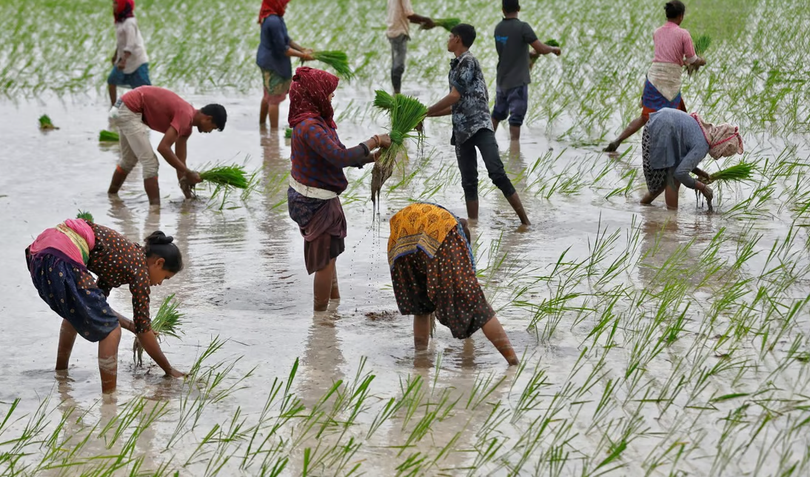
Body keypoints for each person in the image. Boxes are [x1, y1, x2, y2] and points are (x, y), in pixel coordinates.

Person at [25, 218, 186, 394]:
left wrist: (132, 326)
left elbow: (95, 307)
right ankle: (109, 398)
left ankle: (61, 373)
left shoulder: (125, 256)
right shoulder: (140, 270)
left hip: (41, 253)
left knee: (76, 311)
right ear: (159, 263)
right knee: (111, 330)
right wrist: (169, 369)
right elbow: (144, 330)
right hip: (62, 256)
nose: (160, 283)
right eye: (165, 277)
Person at [286, 67, 391, 311]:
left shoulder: (319, 122)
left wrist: (372, 157)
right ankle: (321, 319)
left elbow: (342, 153)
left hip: (318, 196)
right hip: (313, 201)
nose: (332, 95)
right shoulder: (309, 127)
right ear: (315, 94)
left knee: (329, 255)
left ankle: (333, 308)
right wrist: (375, 140)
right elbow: (339, 158)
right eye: (329, 91)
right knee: (324, 261)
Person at [388, 203, 519, 365]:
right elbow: (467, 280)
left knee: (421, 307)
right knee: (477, 304)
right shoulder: (453, 231)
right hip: (434, 229)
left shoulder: (448, 219)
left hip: (400, 232)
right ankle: (514, 363)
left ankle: (420, 359)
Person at [425, 24, 530, 225]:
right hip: (461, 130)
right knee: (469, 181)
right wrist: (426, 115)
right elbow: (457, 105)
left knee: (497, 173)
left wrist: (427, 111)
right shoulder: (455, 66)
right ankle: (473, 225)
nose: (448, 40)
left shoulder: (468, 61)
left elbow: (454, 96)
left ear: (457, 39)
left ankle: (525, 222)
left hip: (480, 126)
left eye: (450, 36)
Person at [604, 1, 706, 152]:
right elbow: (692, 59)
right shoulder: (683, 34)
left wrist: (682, 61)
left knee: (645, 117)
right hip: (670, 82)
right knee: (677, 119)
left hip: (653, 79)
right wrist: (701, 61)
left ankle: (618, 140)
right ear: (681, 16)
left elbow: (666, 57)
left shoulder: (657, 32)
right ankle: (678, 153)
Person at [106, 86, 227, 206]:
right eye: (212, 128)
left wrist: (188, 196)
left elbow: (180, 162)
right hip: (129, 108)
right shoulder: (186, 115)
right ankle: (155, 210)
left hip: (123, 107)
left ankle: (111, 196)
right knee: (150, 164)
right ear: (208, 119)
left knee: (129, 160)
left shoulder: (186, 128)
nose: (209, 131)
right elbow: (163, 148)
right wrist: (188, 172)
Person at [640, 108, 743, 210]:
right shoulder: (703, 145)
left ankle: (644, 205)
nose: (720, 156)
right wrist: (703, 188)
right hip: (662, 129)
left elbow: (681, 161)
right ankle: (672, 216)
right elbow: (680, 173)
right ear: (721, 145)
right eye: (723, 153)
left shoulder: (704, 133)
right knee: (673, 179)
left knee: (663, 181)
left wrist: (700, 173)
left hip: (656, 123)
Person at [491, 0, 561, 141]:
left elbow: (509, 51)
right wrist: (553, 49)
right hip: (518, 81)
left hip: (502, 79)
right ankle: (514, 149)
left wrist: (530, 54)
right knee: (516, 119)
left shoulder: (499, 28)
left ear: (503, 10)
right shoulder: (523, 27)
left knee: (497, 114)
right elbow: (541, 48)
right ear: (519, 8)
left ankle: (487, 143)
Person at [257, 0, 315, 128]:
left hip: (267, 61)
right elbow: (283, 49)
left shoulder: (274, 17)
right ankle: (273, 134)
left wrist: (302, 49)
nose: (286, 5)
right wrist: (303, 55)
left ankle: (262, 126)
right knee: (273, 100)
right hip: (272, 64)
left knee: (267, 95)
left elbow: (286, 40)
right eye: (284, 2)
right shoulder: (273, 21)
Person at [386, 0, 435, 94]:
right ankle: (397, 94)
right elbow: (409, 14)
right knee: (398, 65)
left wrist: (422, 21)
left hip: (392, 31)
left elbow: (407, 16)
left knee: (396, 63)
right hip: (399, 31)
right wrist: (426, 20)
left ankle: (396, 93)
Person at [107, 0, 151, 106]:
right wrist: (115, 55)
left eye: (116, 3)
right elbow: (121, 42)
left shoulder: (130, 22)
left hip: (137, 61)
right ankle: (114, 108)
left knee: (145, 91)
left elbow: (130, 44)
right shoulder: (120, 21)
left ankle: (152, 109)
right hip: (123, 59)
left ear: (123, 5)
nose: (113, 5)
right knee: (112, 81)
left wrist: (123, 61)